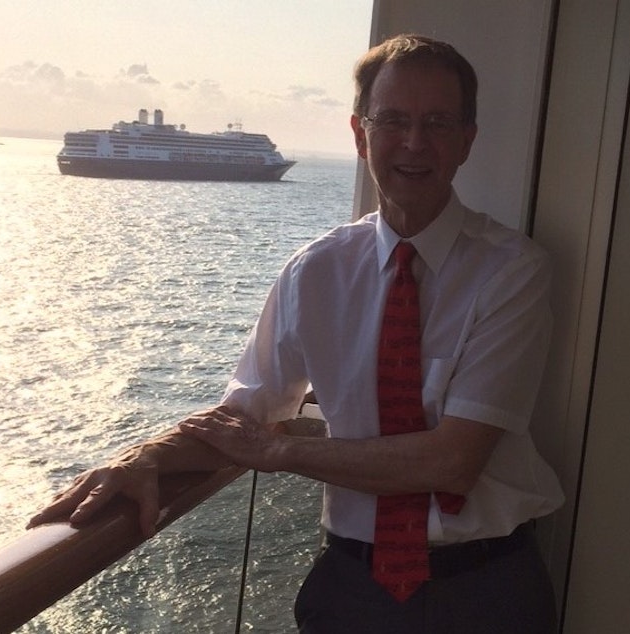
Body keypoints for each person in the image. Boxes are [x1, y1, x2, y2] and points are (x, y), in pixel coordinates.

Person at [29, 34, 564, 633]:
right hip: (352, 591)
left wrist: (284, 452)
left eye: (438, 122)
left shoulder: (512, 271)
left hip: (485, 594)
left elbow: (452, 462)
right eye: (393, 121)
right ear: (361, 135)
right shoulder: (316, 271)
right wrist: (147, 456)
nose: (415, 142)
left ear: (467, 140)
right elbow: (246, 415)